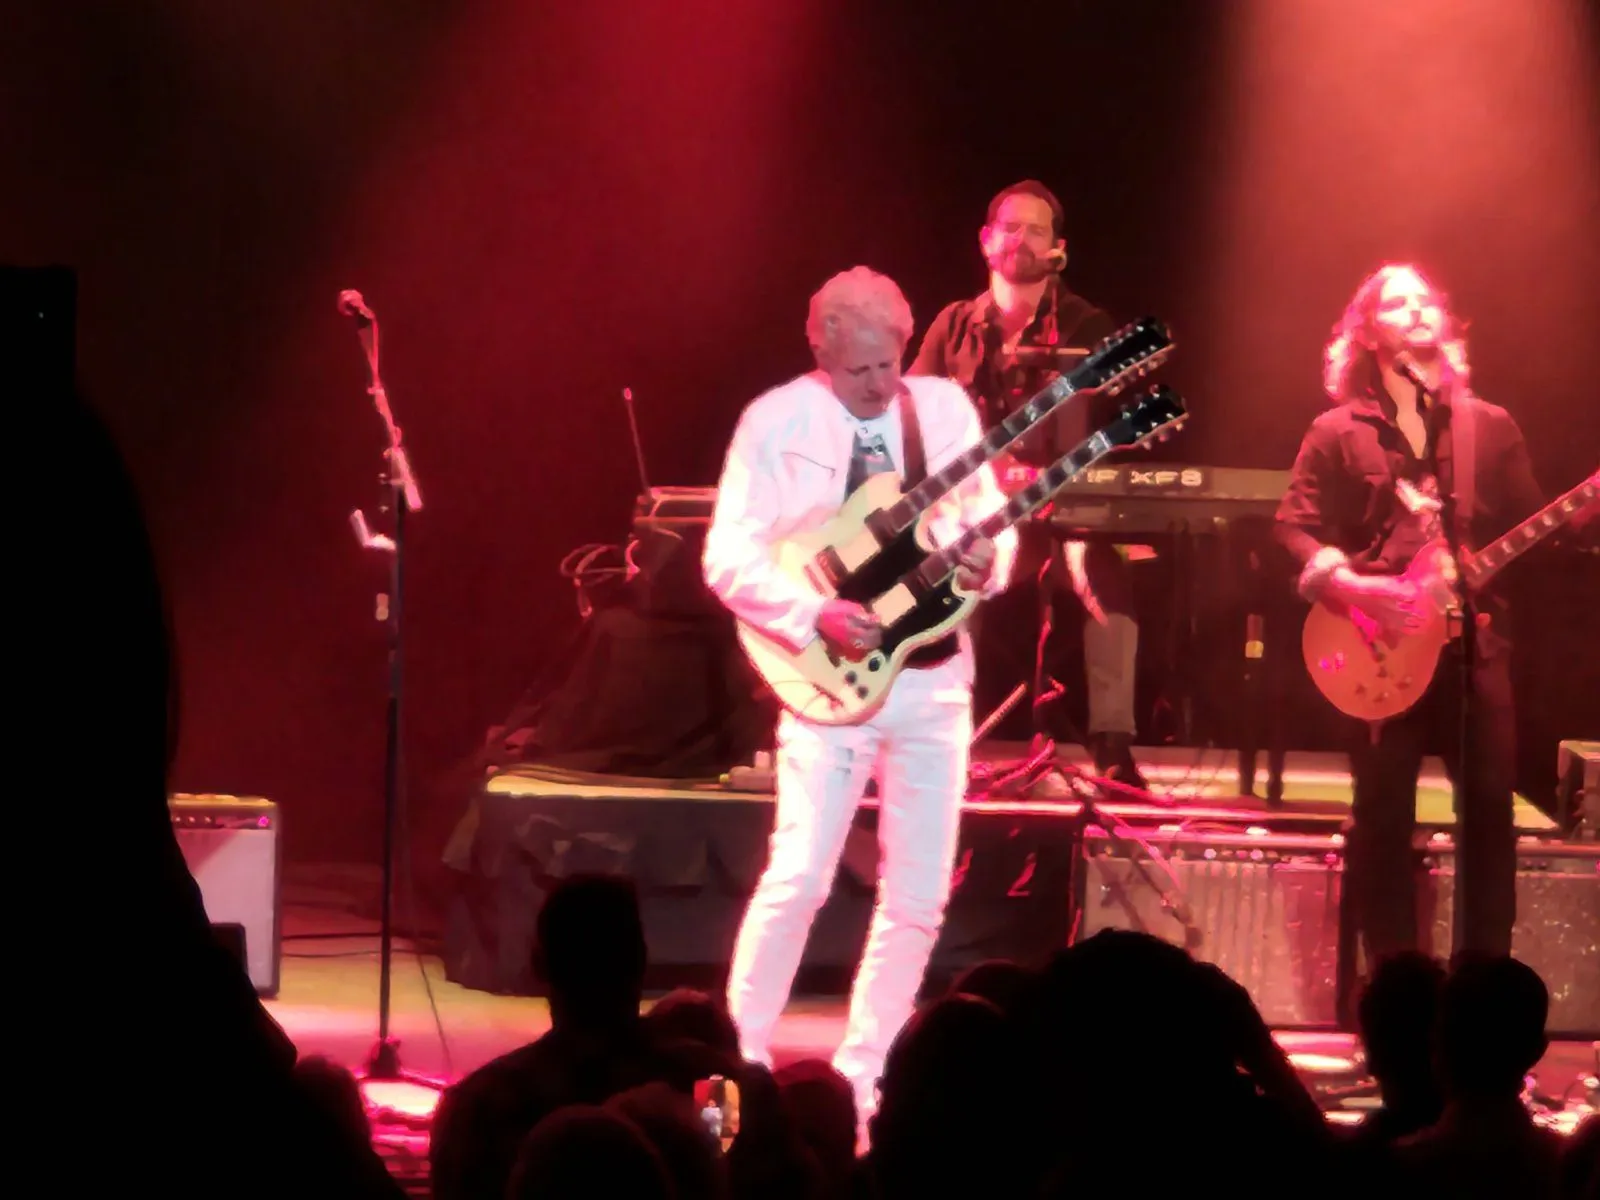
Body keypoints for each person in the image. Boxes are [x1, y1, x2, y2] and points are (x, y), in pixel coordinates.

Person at [703, 266, 1016, 1121]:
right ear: (821, 350)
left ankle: (864, 1081)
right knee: (800, 877)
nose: (880, 385)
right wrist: (814, 613)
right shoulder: (775, 421)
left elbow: (991, 516)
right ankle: (736, 1070)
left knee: (917, 897)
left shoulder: (943, 410)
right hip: (825, 682)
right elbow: (726, 557)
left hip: (935, 678)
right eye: (860, 371)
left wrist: (988, 561)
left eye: (890, 365)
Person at [1275, 262, 1547, 961]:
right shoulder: (1337, 430)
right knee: (1382, 816)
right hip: (1380, 643)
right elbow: (1293, 526)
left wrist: (1582, 521)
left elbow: (1537, 523)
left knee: (1489, 815)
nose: (1418, 309)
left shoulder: (1489, 425)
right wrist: (1349, 585)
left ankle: (1483, 982)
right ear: (1368, 332)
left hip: (1473, 650)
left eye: (1426, 299)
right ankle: (1393, 979)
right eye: (1398, 302)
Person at [910, 180, 1145, 787]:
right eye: (1010, 228)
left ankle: (1112, 747)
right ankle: (937, 740)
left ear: (1058, 248)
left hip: (1064, 517)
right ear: (986, 242)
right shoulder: (954, 326)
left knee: (1104, 575)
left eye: (1036, 230)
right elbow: (909, 418)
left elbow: (1119, 429)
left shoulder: (1089, 325)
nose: (1022, 240)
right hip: (978, 520)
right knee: (943, 573)